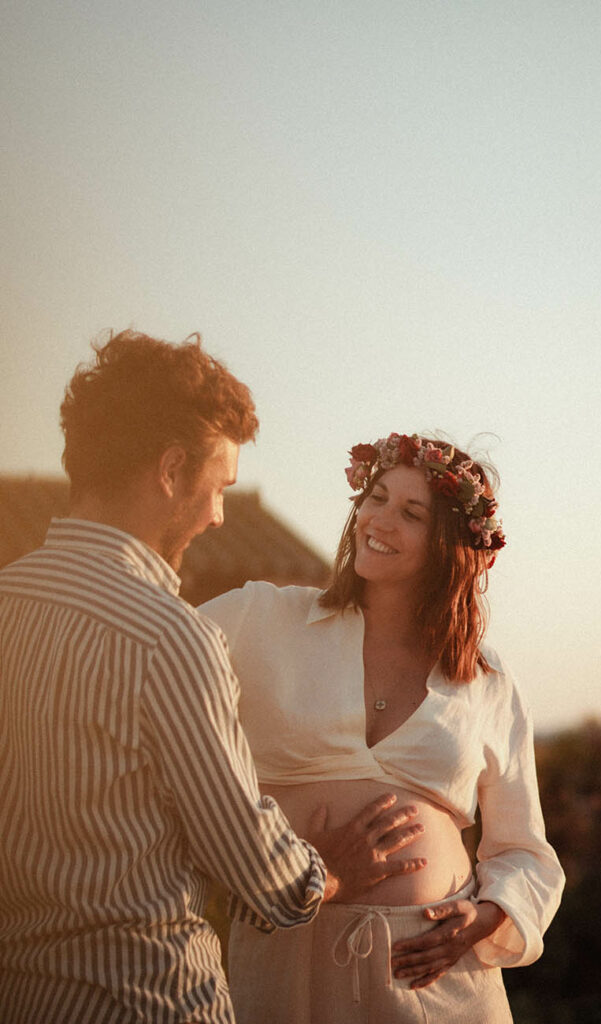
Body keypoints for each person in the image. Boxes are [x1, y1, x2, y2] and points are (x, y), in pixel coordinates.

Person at [0, 340, 427, 1024]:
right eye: (219, 486)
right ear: (171, 469)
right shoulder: (167, 636)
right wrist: (335, 870)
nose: (218, 516)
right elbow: (257, 874)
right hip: (146, 1000)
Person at [201, 432, 565, 1023]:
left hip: (435, 977)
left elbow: (524, 852)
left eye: (411, 512)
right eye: (375, 497)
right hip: (287, 951)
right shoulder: (262, 617)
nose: (380, 519)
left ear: (450, 544)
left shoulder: (487, 677)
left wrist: (485, 918)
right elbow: (143, 657)